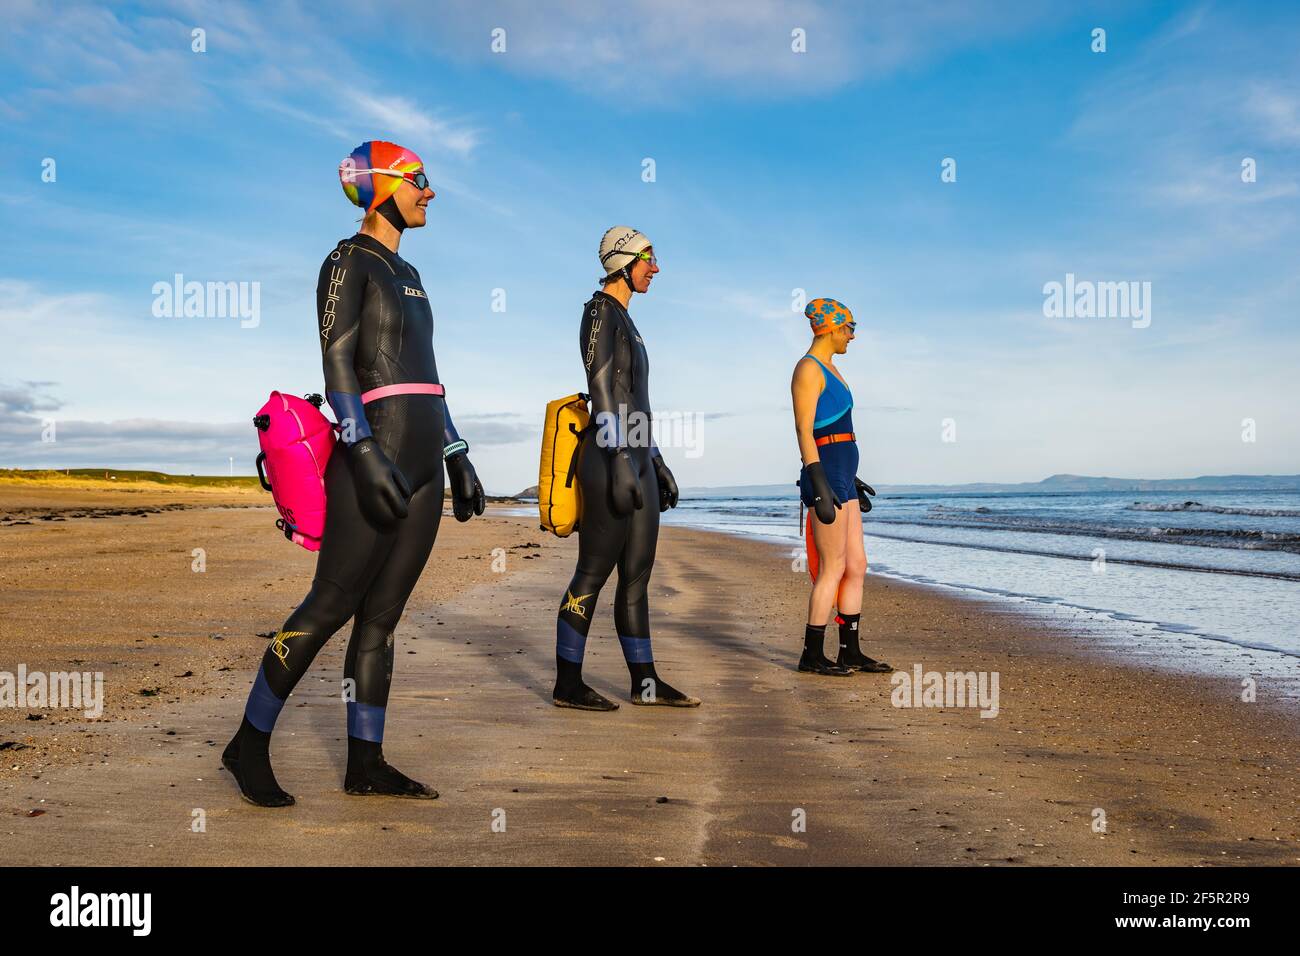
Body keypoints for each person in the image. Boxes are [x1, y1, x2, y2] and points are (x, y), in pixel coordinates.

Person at [223, 140, 486, 807]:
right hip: (376, 455)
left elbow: (427, 377)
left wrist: (457, 456)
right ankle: (247, 744)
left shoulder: (412, 274)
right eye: (420, 179)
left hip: (424, 461)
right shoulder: (347, 260)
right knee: (329, 606)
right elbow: (336, 362)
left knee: (382, 622)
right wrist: (361, 448)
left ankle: (365, 765)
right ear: (384, 186)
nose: (431, 192)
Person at [552, 226, 699, 711]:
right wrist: (618, 458)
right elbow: (602, 392)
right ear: (623, 262)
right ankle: (568, 683)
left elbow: (637, 401)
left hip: (636, 455)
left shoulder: (629, 321)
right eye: (648, 259)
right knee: (592, 573)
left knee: (637, 576)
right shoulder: (598, 311)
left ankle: (645, 683)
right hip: (607, 455)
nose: (655, 269)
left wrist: (655, 461)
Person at [791, 297, 892, 676]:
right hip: (826, 471)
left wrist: (852, 478)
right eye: (849, 328)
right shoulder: (809, 368)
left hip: (842, 474)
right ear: (830, 327)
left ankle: (850, 650)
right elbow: (804, 429)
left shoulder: (832, 368)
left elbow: (840, 430)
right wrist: (816, 475)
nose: (852, 335)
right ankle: (812, 654)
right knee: (832, 566)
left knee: (856, 564)